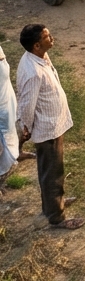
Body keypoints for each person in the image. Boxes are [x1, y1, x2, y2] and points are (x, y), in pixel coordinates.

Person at [16, 24, 83, 228]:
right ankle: (56, 216)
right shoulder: (33, 72)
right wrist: (25, 128)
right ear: (37, 45)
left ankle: (56, 202)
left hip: (53, 125)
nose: (51, 37)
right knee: (52, 174)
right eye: (46, 37)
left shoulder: (40, 57)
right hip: (47, 130)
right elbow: (27, 104)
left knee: (53, 170)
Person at [1, 42, 27, 184]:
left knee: (15, 126)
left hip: (6, 97)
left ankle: (17, 152)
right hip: (2, 105)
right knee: (6, 140)